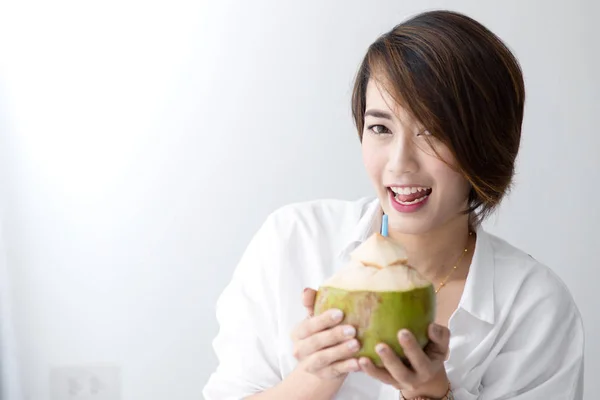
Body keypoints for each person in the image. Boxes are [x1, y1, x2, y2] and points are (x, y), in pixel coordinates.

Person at [202, 9, 585, 400]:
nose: (400, 163)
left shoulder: (534, 306)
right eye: (380, 128)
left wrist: (432, 394)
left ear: (485, 143)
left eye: (433, 132)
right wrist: (315, 378)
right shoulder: (293, 241)